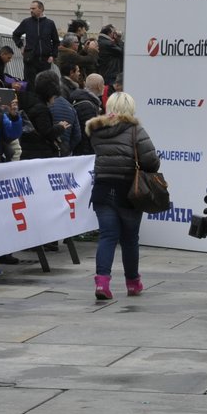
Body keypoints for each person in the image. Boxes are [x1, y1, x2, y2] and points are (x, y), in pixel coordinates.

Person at [85, 91, 159, 300]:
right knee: (129, 239)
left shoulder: (96, 131)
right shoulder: (136, 130)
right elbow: (152, 161)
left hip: (102, 189)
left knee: (107, 236)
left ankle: (102, 282)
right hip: (128, 192)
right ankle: (133, 283)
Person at [12, 0, 59, 80]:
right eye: (30, 8)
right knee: (30, 86)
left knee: (44, 85)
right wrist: (21, 46)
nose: (31, 10)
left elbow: (56, 41)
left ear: (41, 9)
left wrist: (53, 55)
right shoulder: (26, 22)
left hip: (45, 61)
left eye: (33, 8)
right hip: (30, 60)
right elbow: (15, 34)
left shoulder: (50, 23)